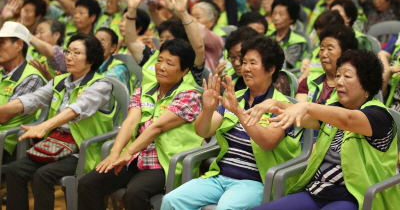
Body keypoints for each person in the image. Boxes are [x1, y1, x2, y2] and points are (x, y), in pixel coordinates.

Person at [161, 35, 301, 210]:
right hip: (220, 176)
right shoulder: (236, 98)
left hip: (256, 182)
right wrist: (209, 108)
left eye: (253, 63)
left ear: (271, 68)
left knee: (225, 208)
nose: (246, 68)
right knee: (171, 200)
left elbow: (268, 142)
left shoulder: (279, 105)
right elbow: (203, 132)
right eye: (244, 63)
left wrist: (238, 111)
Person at [252, 49, 400, 210]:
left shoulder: (379, 115)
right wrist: (276, 104)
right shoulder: (334, 107)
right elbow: (307, 115)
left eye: (347, 76)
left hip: (354, 198)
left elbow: (347, 119)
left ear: (366, 83)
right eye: (338, 76)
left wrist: (307, 105)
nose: (339, 82)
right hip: (317, 191)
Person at [77, 38, 204, 210]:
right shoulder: (144, 90)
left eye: (170, 63)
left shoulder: (190, 95)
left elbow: (157, 127)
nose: (161, 67)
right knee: (88, 183)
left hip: (165, 163)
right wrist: (115, 153)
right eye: (160, 60)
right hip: (136, 157)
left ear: (184, 71)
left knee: (134, 193)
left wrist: (127, 152)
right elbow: (130, 122)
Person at [4, 33, 116, 210]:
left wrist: (44, 126)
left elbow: (77, 108)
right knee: (14, 170)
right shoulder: (59, 81)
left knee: (43, 174)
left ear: (91, 59)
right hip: (56, 144)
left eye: (76, 53)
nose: (69, 57)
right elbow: (33, 99)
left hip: (83, 148)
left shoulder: (100, 85)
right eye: (67, 52)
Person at [125, 0, 205, 86]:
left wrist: (183, 13)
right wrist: (131, 10)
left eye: (168, 39)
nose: (163, 42)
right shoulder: (151, 56)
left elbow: (198, 46)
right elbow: (131, 42)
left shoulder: (190, 61)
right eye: (161, 38)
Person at [0, 21, 46, 163]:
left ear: (19, 45)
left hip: (5, 142)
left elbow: (3, 116)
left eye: (2, 42)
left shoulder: (31, 77)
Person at [296, 24, 358, 104]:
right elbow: (296, 110)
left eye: (330, 49)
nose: (323, 54)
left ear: (347, 53)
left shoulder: (352, 86)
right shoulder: (309, 81)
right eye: (322, 49)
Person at [265, 0, 307, 69]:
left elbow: (286, 64)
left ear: (291, 19)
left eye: (281, 14)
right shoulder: (267, 37)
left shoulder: (296, 41)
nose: (276, 18)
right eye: (274, 13)